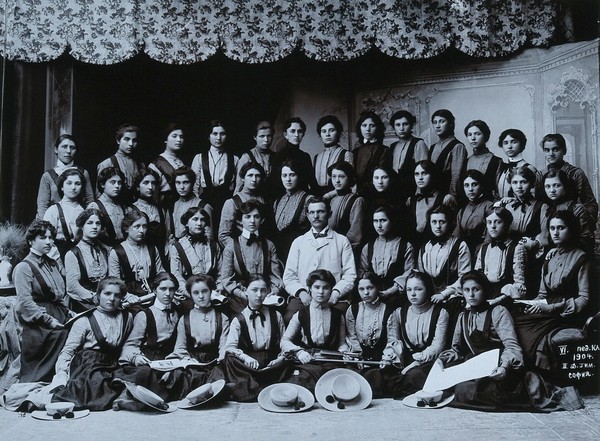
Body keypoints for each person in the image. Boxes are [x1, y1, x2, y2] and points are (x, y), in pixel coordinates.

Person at [437, 271, 527, 411]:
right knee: (448, 382)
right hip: (475, 366)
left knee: (464, 390)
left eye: (476, 289)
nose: (471, 295)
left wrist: (504, 367)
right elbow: (456, 350)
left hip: (497, 368)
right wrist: (442, 359)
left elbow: (512, 346)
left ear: (484, 290)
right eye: (467, 290)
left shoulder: (498, 311)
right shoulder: (463, 317)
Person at [515, 211, 592, 370]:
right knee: (516, 320)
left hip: (568, 314)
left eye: (561, 228)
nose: (555, 232)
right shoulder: (550, 256)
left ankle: (540, 374)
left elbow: (584, 299)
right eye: (552, 228)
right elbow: (543, 294)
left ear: (571, 229)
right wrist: (531, 304)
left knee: (530, 333)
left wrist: (551, 308)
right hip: (548, 309)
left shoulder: (581, 258)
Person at [51, 277, 134, 411]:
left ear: (122, 298)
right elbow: (68, 350)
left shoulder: (127, 317)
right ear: (98, 295)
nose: (112, 299)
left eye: (117, 295)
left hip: (112, 362)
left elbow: (128, 345)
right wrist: (61, 374)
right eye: (107, 294)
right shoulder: (84, 319)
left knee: (138, 375)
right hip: (88, 363)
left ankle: (121, 397)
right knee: (96, 382)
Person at [13, 220, 72, 382]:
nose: (49, 241)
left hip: (58, 314)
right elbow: (24, 302)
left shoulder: (52, 263)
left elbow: (59, 296)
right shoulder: (23, 267)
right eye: (43, 237)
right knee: (64, 334)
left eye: (51, 237)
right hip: (37, 323)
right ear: (31, 241)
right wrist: (49, 320)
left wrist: (68, 312)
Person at [283, 196, 357, 322]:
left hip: (332, 298)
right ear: (307, 215)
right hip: (305, 297)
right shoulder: (299, 242)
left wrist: (336, 293)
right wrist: (301, 293)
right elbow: (289, 276)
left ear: (329, 214)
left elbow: (350, 275)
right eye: (312, 212)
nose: (316, 216)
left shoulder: (341, 241)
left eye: (320, 212)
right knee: (289, 318)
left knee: (341, 321)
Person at [379, 271, 450, 399]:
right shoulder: (399, 312)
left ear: (427, 289)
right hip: (406, 359)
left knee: (414, 376)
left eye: (418, 289)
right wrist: (389, 355)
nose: (413, 294)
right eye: (409, 289)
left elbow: (437, 347)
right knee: (378, 374)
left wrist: (417, 361)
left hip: (428, 361)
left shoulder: (440, 313)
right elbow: (393, 340)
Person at [280, 269, 350, 392]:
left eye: (326, 288)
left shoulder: (338, 315)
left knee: (344, 381)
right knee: (302, 382)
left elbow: (341, 342)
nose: (321, 292)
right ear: (309, 289)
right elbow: (284, 341)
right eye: (316, 287)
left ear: (331, 290)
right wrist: (299, 352)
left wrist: (345, 354)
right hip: (308, 362)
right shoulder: (300, 314)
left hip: (331, 361)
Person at [221, 274, 287, 401]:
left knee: (289, 362)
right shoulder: (238, 319)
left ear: (268, 291)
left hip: (271, 362)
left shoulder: (276, 315)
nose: (259, 295)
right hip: (249, 365)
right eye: (254, 290)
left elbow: (284, 342)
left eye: (263, 290)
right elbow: (230, 346)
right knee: (229, 359)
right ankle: (253, 388)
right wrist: (246, 358)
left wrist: (280, 358)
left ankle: (262, 386)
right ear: (245, 291)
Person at [221, 200, 282, 315]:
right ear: (240, 220)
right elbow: (226, 278)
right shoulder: (231, 246)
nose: (252, 221)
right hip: (240, 296)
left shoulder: (269, 245)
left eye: (256, 217)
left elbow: (275, 275)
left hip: (264, 294)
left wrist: (275, 290)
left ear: (262, 220)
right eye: (247, 217)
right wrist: (242, 293)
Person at [418, 205, 471, 333]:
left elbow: (465, 277)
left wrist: (444, 294)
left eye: (442, 222)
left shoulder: (460, 245)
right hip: (429, 296)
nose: (437, 226)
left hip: (452, 296)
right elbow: (421, 276)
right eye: (434, 222)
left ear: (449, 223)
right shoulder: (425, 248)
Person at [494, 165, 544, 295]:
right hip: (510, 257)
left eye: (523, 182)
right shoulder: (507, 207)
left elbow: (544, 234)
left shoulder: (541, 206)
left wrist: (534, 242)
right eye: (515, 182)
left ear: (531, 183)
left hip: (533, 258)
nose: (519, 186)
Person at [119, 272, 180, 365]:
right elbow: (131, 345)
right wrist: (136, 358)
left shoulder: (179, 311)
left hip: (173, 358)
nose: (167, 294)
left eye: (171, 289)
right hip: (151, 359)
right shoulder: (144, 315)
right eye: (163, 289)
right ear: (155, 290)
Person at [359, 206, 414, 309]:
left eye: (383, 220)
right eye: (375, 221)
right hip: (372, 298)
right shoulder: (368, 247)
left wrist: (390, 291)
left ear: (392, 220)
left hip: (397, 298)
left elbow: (409, 272)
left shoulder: (405, 246)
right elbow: (363, 271)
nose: (379, 225)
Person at [538, 133, 598, 225]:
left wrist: (583, 217)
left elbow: (590, 204)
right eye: (547, 150)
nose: (551, 154)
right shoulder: (541, 175)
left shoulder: (576, 173)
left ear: (564, 151)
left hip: (572, 222)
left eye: (556, 149)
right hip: (547, 221)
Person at [168, 274, 230, 363]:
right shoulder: (184, 319)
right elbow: (180, 347)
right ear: (191, 295)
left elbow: (224, 345)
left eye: (204, 291)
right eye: (196, 293)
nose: (201, 296)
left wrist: (221, 358)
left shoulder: (222, 318)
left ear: (211, 291)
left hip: (217, 360)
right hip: (192, 361)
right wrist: (188, 360)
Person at [169, 207, 222, 309]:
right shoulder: (177, 247)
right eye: (195, 219)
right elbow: (176, 275)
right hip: (189, 292)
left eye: (202, 220)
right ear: (187, 223)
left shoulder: (213, 245)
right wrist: (191, 294)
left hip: (211, 290)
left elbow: (221, 271)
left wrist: (219, 287)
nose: (199, 223)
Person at [108, 210, 165, 304]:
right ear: (126, 228)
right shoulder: (117, 252)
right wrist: (127, 296)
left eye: (144, 226)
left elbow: (161, 273)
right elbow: (115, 282)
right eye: (136, 226)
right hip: (129, 297)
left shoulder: (152, 248)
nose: (141, 230)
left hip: (153, 294)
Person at [474, 207, 527, 305]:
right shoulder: (484, 248)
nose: (493, 226)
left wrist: (499, 300)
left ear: (506, 224)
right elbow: (477, 277)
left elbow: (519, 284)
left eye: (498, 222)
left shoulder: (516, 248)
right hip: (486, 295)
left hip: (506, 299)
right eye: (489, 222)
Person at [535, 169, 595, 255]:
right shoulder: (544, 208)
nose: (552, 190)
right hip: (545, 254)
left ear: (565, 186)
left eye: (557, 185)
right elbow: (543, 235)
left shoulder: (577, 209)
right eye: (547, 186)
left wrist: (561, 250)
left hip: (570, 255)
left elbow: (586, 239)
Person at [191, 120, 239, 223]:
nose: (218, 138)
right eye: (215, 134)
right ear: (209, 136)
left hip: (226, 200)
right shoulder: (199, 158)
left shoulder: (234, 159)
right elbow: (194, 186)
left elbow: (238, 186)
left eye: (222, 134)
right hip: (205, 200)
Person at [36, 134, 94, 219]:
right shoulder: (47, 176)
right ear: (56, 149)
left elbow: (89, 200)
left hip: (78, 217)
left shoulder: (83, 173)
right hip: (55, 218)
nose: (68, 151)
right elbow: (42, 205)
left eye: (72, 147)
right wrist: (45, 225)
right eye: (64, 147)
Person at [64, 209, 110, 312]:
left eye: (98, 223)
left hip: (107, 301)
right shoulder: (73, 253)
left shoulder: (106, 250)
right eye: (89, 223)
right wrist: (95, 298)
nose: (94, 227)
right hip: (83, 304)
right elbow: (72, 286)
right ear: (81, 226)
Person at [346, 272, 395, 363]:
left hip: (382, 359)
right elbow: (351, 337)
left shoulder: (388, 311)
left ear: (377, 287)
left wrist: (387, 357)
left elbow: (392, 339)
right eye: (361, 289)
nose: (366, 293)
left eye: (370, 288)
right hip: (358, 358)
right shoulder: (353, 309)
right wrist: (357, 357)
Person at [269, 117, 319, 199]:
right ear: (286, 135)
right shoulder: (278, 157)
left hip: (303, 199)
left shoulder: (305, 156)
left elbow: (313, 183)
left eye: (299, 131)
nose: (296, 135)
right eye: (292, 131)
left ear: (303, 134)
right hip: (284, 199)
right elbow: (275, 186)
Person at [218, 162, 267, 245]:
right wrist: (238, 249)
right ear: (243, 178)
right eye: (250, 175)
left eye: (257, 176)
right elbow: (223, 235)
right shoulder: (232, 203)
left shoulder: (265, 201)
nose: (254, 179)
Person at [271, 159, 311, 262]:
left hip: (300, 251)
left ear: (299, 176)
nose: (288, 179)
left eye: (292, 175)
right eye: (284, 175)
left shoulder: (308, 199)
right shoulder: (278, 201)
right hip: (280, 252)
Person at [42, 168, 86, 259]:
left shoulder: (84, 211)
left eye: (77, 184)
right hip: (58, 257)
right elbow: (46, 240)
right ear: (62, 187)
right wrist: (59, 264)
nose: (73, 187)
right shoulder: (53, 211)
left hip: (80, 256)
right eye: (69, 183)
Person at [97, 123, 144, 204]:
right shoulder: (107, 163)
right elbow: (99, 194)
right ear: (118, 141)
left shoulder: (140, 165)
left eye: (134, 140)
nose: (131, 144)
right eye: (127, 139)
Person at [428, 109, 467, 206]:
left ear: (450, 124)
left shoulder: (457, 146)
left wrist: (451, 196)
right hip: (433, 194)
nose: (437, 125)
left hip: (447, 195)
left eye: (442, 121)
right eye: (435, 122)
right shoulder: (433, 147)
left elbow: (456, 175)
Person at [389, 110, 428, 202]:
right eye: (398, 125)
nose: (401, 128)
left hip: (411, 191)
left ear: (411, 126)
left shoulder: (418, 143)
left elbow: (423, 170)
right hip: (394, 191)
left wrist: (418, 194)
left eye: (405, 124)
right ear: (394, 127)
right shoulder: (392, 146)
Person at [405, 160, 446, 249]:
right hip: (415, 247)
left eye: (424, 173)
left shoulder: (445, 199)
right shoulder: (411, 200)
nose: (420, 178)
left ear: (433, 175)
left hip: (437, 247)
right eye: (417, 174)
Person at [327, 161, 365, 252]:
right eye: (334, 176)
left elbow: (355, 233)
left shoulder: (357, 200)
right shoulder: (332, 200)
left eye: (341, 176)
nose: (337, 180)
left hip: (346, 250)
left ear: (349, 178)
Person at [455, 170, 494, 256]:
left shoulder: (489, 207)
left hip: (482, 251)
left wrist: (480, 253)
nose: (470, 189)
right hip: (463, 251)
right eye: (466, 185)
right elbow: (457, 236)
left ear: (481, 185)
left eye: (474, 184)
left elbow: (489, 237)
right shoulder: (462, 210)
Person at [88, 167, 130, 246]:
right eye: (112, 182)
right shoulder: (94, 206)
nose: (117, 186)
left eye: (119, 183)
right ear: (102, 184)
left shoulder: (123, 206)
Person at [148, 123, 187, 208]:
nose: (179, 140)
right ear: (166, 139)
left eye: (181, 137)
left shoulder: (182, 162)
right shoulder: (156, 164)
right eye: (174, 136)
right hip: (165, 207)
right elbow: (153, 194)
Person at [132, 168, 169, 254]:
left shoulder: (161, 209)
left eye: (153, 183)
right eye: (146, 183)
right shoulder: (131, 209)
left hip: (161, 254)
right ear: (137, 187)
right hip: (141, 254)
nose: (150, 187)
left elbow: (166, 235)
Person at [353, 110, 391, 195]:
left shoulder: (384, 150)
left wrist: (360, 190)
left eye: (372, 126)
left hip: (375, 193)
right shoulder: (355, 151)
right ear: (360, 127)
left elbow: (381, 177)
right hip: (356, 194)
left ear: (378, 128)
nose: (367, 129)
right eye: (364, 125)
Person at [169, 167, 214, 240]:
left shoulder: (203, 205)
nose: (182, 187)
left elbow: (209, 237)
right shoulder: (174, 205)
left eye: (185, 182)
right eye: (178, 183)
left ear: (192, 183)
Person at [313, 115, 353, 195]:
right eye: (324, 131)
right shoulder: (317, 157)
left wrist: (329, 195)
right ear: (320, 134)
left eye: (331, 130)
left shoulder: (346, 154)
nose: (327, 134)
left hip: (338, 195)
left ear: (338, 132)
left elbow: (349, 182)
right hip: (318, 196)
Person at [495, 129, 540, 199]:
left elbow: (534, 196)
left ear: (521, 144)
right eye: (505, 143)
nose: (509, 146)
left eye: (514, 142)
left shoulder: (529, 168)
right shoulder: (502, 169)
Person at [464, 120, 503, 199]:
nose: (473, 138)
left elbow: (498, 191)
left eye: (477, 134)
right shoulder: (466, 161)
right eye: (469, 135)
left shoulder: (496, 161)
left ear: (485, 136)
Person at [235, 121, 275, 193]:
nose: (266, 140)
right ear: (255, 137)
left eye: (269, 136)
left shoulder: (276, 157)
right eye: (262, 136)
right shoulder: (247, 157)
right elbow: (239, 185)